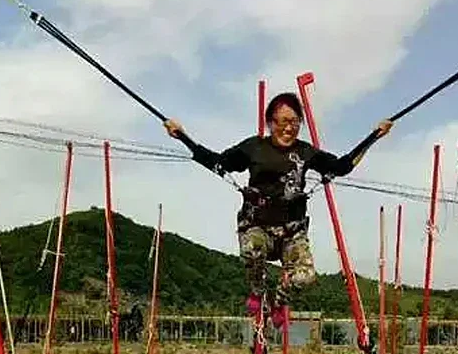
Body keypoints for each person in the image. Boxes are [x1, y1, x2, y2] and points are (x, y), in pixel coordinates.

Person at [164, 92, 393, 328]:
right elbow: (218, 161)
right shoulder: (254, 147)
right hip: (257, 225)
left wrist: (375, 135)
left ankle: (278, 300)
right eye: (283, 121)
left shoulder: (306, 152)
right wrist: (181, 135)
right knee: (253, 249)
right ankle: (257, 291)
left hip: (291, 232)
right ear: (271, 122)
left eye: (295, 122)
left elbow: (341, 166)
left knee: (306, 277)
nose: (289, 128)